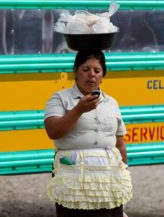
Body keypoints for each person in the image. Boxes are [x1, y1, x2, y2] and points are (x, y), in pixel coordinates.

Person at [44, 50, 132, 217]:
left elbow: (119, 143)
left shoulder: (111, 102)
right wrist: (78, 110)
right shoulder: (60, 98)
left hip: (108, 182)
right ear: (75, 71)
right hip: (73, 181)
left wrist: (124, 176)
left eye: (97, 71)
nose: (91, 75)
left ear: (103, 75)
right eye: (86, 69)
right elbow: (53, 131)